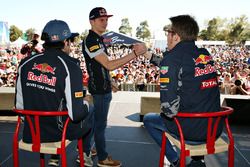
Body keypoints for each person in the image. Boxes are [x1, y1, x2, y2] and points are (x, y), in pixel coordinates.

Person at [143, 15, 221, 167]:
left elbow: (169, 110)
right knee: (197, 100)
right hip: (213, 129)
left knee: (149, 119)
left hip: (190, 132)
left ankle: (175, 160)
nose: (166, 38)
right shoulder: (205, 54)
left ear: (176, 36)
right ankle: (198, 160)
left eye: (168, 34)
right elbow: (181, 68)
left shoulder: (172, 59)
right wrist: (149, 55)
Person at [15, 19, 93, 167]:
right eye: (71, 40)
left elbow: (19, 107)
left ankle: (55, 158)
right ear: (65, 42)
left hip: (32, 133)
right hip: (59, 133)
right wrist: (86, 102)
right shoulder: (71, 66)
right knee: (89, 107)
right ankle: (85, 153)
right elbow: (76, 114)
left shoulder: (24, 64)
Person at [82, 7, 147, 167]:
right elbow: (109, 65)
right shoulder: (91, 40)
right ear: (92, 21)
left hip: (103, 87)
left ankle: (87, 151)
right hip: (99, 90)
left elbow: (101, 66)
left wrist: (110, 81)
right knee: (100, 124)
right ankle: (102, 158)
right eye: (101, 19)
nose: (105, 22)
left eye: (106, 19)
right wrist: (135, 54)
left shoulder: (98, 39)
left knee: (97, 123)